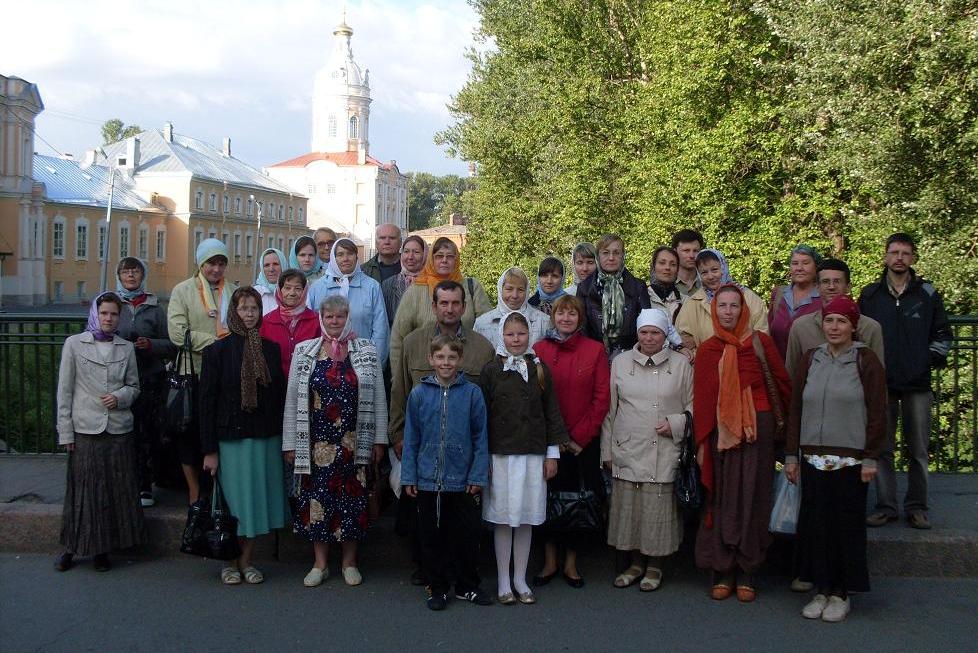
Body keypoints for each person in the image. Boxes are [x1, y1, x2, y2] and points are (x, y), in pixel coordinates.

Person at [785, 296, 887, 622]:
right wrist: (791, 455)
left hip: (851, 460)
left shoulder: (865, 360)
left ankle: (842, 591)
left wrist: (871, 456)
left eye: (842, 321)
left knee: (846, 526)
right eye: (830, 321)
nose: (834, 327)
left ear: (853, 326)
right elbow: (796, 409)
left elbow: (877, 412)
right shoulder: (811, 358)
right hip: (813, 457)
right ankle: (821, 588)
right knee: (816, 525)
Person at [388, 279, 496, 586]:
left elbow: (486, 403)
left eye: (456, 303)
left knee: (459, 516)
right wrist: (397, 434)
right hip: (421, 448)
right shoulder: (413, 343)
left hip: (462, 451)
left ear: (464, 307)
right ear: (434, 307)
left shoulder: (481, 347)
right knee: (421, 513)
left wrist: (482, 456)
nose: (450, 309)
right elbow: (400, 391)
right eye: (443, 303)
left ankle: (459, 572)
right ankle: (426, 566)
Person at [282, 295, 388, 587]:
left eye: (340, 317)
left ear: (348, 317)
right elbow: (292, 399)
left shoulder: (366, 350)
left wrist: (380, 440)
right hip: (317, 445)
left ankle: (349, 562)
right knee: (318, 502)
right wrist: (290, 442)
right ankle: (320, 564)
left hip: (354, 443)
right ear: (321, 318)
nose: (334, 322)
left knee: (353, 501)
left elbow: (378, 396)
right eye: (329, 317)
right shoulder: (305, 351)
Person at [693, 284, 790, 602]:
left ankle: (748, 570)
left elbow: (782, 383)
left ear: (744, 309)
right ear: (715, 309)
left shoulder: (761, 343)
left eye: (735, 306)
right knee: (723, 498)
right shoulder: (708, 349)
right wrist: (702, 443)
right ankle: (723, 569)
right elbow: (704, 402)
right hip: (722, 435)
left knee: (753, 495)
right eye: (723, 306)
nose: (729, 312)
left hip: (757, 433)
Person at [859, 233, 951, 530]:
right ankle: (886, 506)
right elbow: (858, 337)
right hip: (881, 383)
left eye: (905, 253)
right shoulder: (870, 295)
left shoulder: (927, 293)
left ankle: (917, 507)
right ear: (885, 256)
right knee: (882, 447)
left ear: (913, 258)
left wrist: (925, 362)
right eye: (894, 252)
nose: (899, 257)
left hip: (917, 384)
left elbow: (942, 335)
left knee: (919, 449)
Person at [199, 287, 287, 585]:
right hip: (230, 439)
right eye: (244, 308)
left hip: (263, 438)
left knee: (254, 504)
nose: (249, 314)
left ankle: (247, 561)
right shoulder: (216, 352)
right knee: (233, 505)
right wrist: (209, 449)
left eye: (254, 308)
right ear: (233, 312)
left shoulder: (271, 350)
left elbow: (278, 398)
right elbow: (207, 403)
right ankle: (228, 562)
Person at [480, 312, 569, 604]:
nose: (516, 339)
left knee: (526, 519)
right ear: (501, 337)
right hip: (502, 456)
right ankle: (504, 581)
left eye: (521, 334)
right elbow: (482, 416)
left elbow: (551, 412)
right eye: (510, 334)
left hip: (532, 455)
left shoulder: (539, 368)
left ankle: (520, 578)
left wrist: (552, 454)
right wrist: (484, 458)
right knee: (504, 519)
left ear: (529, 335)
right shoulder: (491, 370)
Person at [602, 309, 692, 591]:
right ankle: (635, 563)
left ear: (665, 335)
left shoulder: (681, 365)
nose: (649, 338)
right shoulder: (620, 362)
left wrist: (676, 423)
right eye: (644, 332)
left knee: (657, 511)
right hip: (628, 446)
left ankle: (655, 566)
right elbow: (610, 410)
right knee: (632, 512)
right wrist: (606, 451)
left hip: (662, 449)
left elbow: (693, 406)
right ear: (637, 333)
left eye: (655, 333)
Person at [401, 336, 493, 610]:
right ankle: (437, 587)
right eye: (440, 357)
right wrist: (410, 476)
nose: (445, 363)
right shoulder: (419, 394)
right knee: (431, 537)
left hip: (462, 480)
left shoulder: (472, 393)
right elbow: (411, 438)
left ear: (460, 360)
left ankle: (467, 586)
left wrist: (477, 476)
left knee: (465, 536)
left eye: (451, 358)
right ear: (431, 360)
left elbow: (480, 437)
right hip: (429, 479)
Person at [55, 292, 143, 572]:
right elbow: (64, 392)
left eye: (114, 314)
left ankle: (102, 550)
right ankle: (71, 548)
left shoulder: (125, 348)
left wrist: (120, 397)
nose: (108, 319)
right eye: (104, 313)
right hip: (86, 429)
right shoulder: (74, 344)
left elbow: (134, 387)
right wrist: (65, 432)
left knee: (112, 491)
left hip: (117, 428)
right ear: (95, 313)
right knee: (83, 492)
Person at [532, 295, 610, 589]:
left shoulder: (595, 350)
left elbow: (601, 398)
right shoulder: (539, 349)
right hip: (549, 442)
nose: (566, 319)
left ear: (580, 318)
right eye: (561, 314)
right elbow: (533, 398)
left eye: (571, 314)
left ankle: (571, 564)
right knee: (549, 501)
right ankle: (549, 561)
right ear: (553, 317)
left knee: (578, 502)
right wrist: (554, 439)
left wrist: (579, 437)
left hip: (581, 442)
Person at [168, 238, 238, 503]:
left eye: (221, 263)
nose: (216, 269)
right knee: (190, 430)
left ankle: (217, 486)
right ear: (201, 263)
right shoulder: (183, 291)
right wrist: (218, 343)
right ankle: (194, 489)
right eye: (211, 263)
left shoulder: (232, 291)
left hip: (224, 374)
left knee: (219, 429)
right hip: (192, 372)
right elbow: (177, 333)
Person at [114, 257, 176, 508]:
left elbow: (171, 345)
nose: (131, 276)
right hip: (118, 378)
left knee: (149, 432)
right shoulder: (112, 304)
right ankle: (123, 482)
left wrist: (150, 345)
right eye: (126, 271)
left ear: (142, 275)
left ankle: (145, 485)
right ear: (119, 276)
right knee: (122, 432)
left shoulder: (153, 307)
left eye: (135, 271)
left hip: (150, 378)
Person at [390, 236, 492, 373]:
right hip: (424, 370)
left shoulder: (471, 287)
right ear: (431, 259)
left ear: (456, 260)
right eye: (439, 256)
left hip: (467, 369)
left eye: (450, 256)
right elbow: (398, 339)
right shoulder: (415, 291)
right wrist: (398, 376)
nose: (444, 260)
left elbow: (488, 328)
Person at [785, 259, 885, 377]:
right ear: (817, 287)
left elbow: (877, 380)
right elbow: (791, 375)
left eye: (837, 281)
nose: (831, 287)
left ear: (848, 287)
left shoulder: (870, 328)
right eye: (825, 281)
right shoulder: (801, 327)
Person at [307, 238, 390, 365]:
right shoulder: (317, 288)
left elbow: (380, 329)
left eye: (350, 253)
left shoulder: (371, 286)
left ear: (356, 257)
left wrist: (374, 363)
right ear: (333, 259)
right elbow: (310, 328)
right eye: (340, 254)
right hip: (323, 362)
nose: (346, 259)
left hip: (363, 361)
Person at [675, 248, 768, 351]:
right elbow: (683, 338)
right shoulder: (693, 303)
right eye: (704, 272)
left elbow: (762, 335)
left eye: (714, 270)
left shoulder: (748, 297)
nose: (710, 276)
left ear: (724, 268)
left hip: (747, 362)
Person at [577, 234, 651, 358]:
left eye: (616, 253)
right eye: (605, 253)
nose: (611, 258)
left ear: (623, 256)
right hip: (594, 355)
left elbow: (646, 325)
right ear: (598, 256)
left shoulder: (638, 287)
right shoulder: (584, 288)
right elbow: (581, 328)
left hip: (631, 355)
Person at [259, 269, 322, 379]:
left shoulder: (316, 321)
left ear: (304, 291)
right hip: (275, 385)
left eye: (298, 288)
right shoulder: (266, 321)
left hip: (306, 385)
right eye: (287, 288)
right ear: (279, 290)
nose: (292, 293)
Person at [768, 244, 823, 359]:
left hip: (811, 370)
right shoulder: (778, 294)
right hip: (779, 371)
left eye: (805, 263)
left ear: (816, 267)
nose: (799, 268)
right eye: (795, 263)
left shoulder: (824, 298)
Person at [474, 267, 550, 350]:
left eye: (520, 290)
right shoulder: (482, 324)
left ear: (527, 291)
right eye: (509, 289)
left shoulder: (544, 322)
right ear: (500, 289)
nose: (514, 295)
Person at [381, 235, 427, 326]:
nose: (410, 257)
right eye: (406, 251)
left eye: (416, 252)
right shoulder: (389, 284)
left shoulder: (433, 283)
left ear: (425, 255)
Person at [648, 246, 685, 323]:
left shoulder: (686, 302)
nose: (667, 267)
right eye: (662, 263)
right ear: (653, 267)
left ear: (677, 270)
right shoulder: (640, 298)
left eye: (673, 264)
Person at [671, 229, 705, 297]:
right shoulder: (666, 282)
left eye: (695, 251)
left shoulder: (708, 281)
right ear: (675, 252)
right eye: (686, 251)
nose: (691, 256)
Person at [254, 247, 287, 315]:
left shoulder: (294, 291)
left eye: (275, 264)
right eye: (266, 265)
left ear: (283, 265)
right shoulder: (254, 293)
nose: (271, 269)